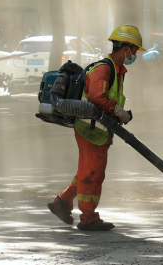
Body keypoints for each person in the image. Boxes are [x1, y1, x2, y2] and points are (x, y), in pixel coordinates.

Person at [47, 25, 146, 231]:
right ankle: (88, 218)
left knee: (86, 170)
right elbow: (95, 97)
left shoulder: (116, 70)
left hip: (98, 129)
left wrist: (118, 113)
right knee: (93, 174)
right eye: (134, 50)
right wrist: (117, 110)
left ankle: (62, 202)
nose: (135, 54)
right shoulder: (105, 68)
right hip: (90, 129)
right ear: (126, 48)